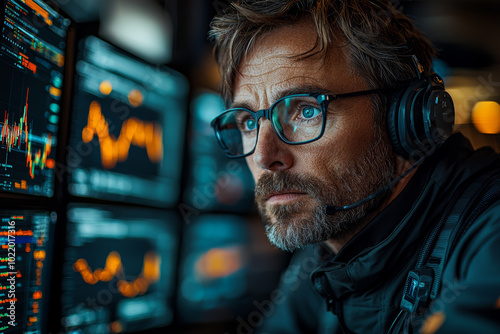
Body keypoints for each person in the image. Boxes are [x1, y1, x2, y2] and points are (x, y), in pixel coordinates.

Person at [209, 0, 500, 333]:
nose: (263, 156)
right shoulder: (324, 253)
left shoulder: (489, 235)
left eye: (306, 111)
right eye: (248, 122)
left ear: (404, 120)